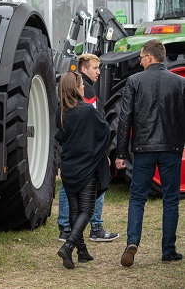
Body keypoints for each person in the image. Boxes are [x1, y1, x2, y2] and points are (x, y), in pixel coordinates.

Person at [115, 39, 185, 267]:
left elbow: (124, 119)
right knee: (171, 200)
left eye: (141, 57)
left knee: (137, 198)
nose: (139, 61)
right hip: (171, 148)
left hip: (143, 149)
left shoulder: (134, 81)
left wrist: (121, 153)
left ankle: (132, 242)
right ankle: (169, 250)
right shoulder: (179, 82)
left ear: (150, 57)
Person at [57, 53, 119, 242]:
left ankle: (67, 230)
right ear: (83, 70)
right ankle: (95, 227)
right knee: (92, 192)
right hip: (87, 153)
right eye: (95, 68)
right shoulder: (87, 92)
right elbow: (95, 124)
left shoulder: (64, 100)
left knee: (69, 190)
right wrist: (103, 152)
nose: (99, 72)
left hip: (70, 155)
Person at [55, 71, 111, 269]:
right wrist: (100, 153)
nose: (83, 88)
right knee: (87, 209)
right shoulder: (87, 110)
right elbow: (105, 131)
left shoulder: (59, 111)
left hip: (69, 166)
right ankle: (69, 245)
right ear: (76, 88)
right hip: (87, 166)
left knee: (75, 208)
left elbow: (60, 137)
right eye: (81, 85)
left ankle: (82, 251)